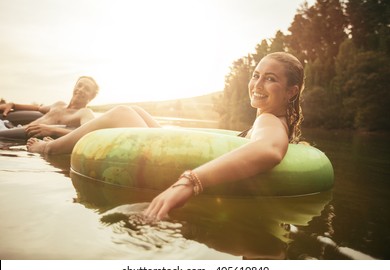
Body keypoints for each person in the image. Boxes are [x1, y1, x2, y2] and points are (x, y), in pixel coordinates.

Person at [27, 52, 304, 220]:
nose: (257, 84)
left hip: (187, 168)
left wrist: (188, 182)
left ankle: (48, 150)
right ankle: (54, 140)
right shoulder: (274, 119)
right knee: (133, 110)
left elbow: (268, 150)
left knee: (122, 111)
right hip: (183, 153)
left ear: (291, 91)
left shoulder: (269, 120)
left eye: (271, 79)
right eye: (256, 75)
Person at [0, 76, 99, 138]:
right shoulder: (59, 104)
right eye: (79, 85)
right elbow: (38, 108)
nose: (81, 89)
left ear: (92, 97)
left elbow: (88, 133)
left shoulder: (85, 113)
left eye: (86, 89)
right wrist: (13, 105)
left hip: (16, 136)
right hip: (9, 127)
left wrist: (52, 130)